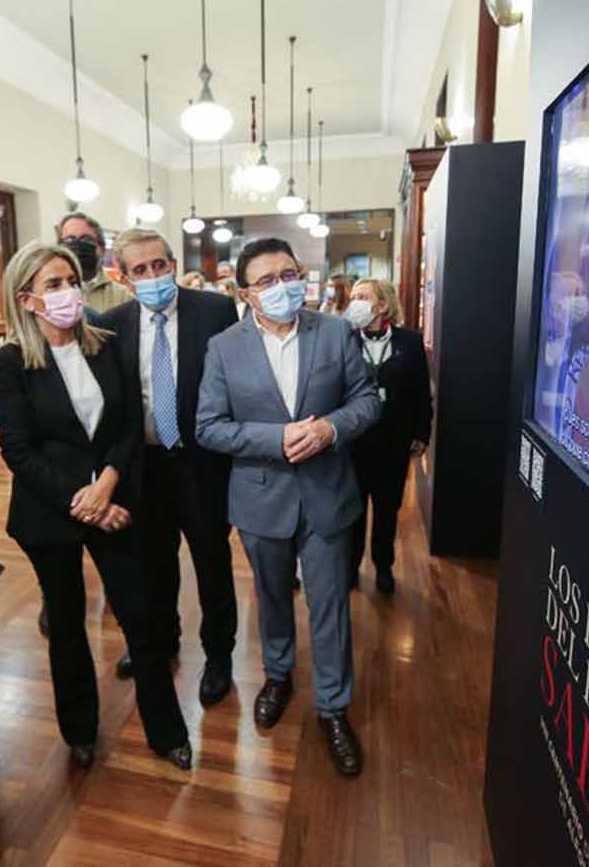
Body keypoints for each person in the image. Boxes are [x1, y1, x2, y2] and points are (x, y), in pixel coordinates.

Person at [0, 242, 192, 771]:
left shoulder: (104, 344)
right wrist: (85, 502)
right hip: (49, 512)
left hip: (115, 499)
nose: (67, 293)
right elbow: (18, 448)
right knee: (65, 624)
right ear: (27, 298)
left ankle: (166, 729)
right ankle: (79, 730)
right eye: (53, 284)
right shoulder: (11, 360)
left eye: (70, 281)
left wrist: (107, 484)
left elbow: (127, 425)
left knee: (142, 618)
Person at [195, 237, 380, 777]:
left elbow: (366, 401)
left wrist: (329, 428)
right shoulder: (224, 348)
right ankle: (278, 676)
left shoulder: (335, 331)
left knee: (330, 609)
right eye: (267, 281)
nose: (282, 287)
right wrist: (275, 439)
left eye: (289, 274)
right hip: (260, 496)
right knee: (272, 597)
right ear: (246, 293)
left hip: (327, 494)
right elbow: (210, 426)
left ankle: (333, 707)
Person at [97, 229, 239, 706]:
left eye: (160, 265)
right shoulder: (112, 324)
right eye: (140, 269)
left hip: (201, 464)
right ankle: (162, 641)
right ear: (123, 276)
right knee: (154, 568)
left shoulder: (214, 311)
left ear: (173, 263)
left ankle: (220, 656)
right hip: (145, 468)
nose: (153, 276)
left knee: (213, 567)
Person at [344, 278, 432, 595]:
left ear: (382, 305)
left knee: (386, 508)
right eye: (353, 296)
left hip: (393, 441)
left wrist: (423, 431)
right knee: (353, 510)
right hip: (354, 442)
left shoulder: (409, 342)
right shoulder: (345, 340)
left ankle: (383, 566)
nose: (355, 302)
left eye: (363, 297)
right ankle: (350, 567)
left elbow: (422, 393)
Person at [56, 212, 130, 313]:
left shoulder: (123, 297)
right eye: (70, 240)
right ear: (59, 248)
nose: (78, 244)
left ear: (102, 249)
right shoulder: (50, 293)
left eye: (86, 239)